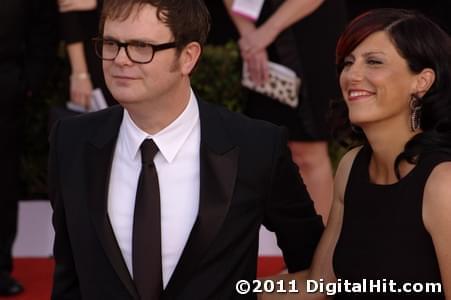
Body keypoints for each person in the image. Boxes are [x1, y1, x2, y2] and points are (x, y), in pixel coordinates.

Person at [49, 0, 324, 299]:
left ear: (188, 58)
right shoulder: (71, 141)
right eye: (111, 43)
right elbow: (69, 277)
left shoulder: (256, 147)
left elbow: (313, 265)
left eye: (142, 47)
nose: (120, 60)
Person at [261, 8, 451, 300]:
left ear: (422, 81)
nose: (353, 75)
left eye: (373, 62)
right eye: (348, 63)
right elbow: (320, 284)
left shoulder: (443, 184)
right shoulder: (352, 166)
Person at [223, 0, 347, 222]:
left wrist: (266, 33)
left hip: (307, 28)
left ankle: (319, 249)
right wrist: (251, 37)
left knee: (308, 151)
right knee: (263, 145)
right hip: (255, 31)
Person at [0, 0, 58, 296]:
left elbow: (45, 26)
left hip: (6, 87)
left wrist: (28, 82)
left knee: (3, 181)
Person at [59, 0, 116, 108]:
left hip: (139, 46)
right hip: (93, 55)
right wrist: (80, 74)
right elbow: (68, 10)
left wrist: (100, 3)